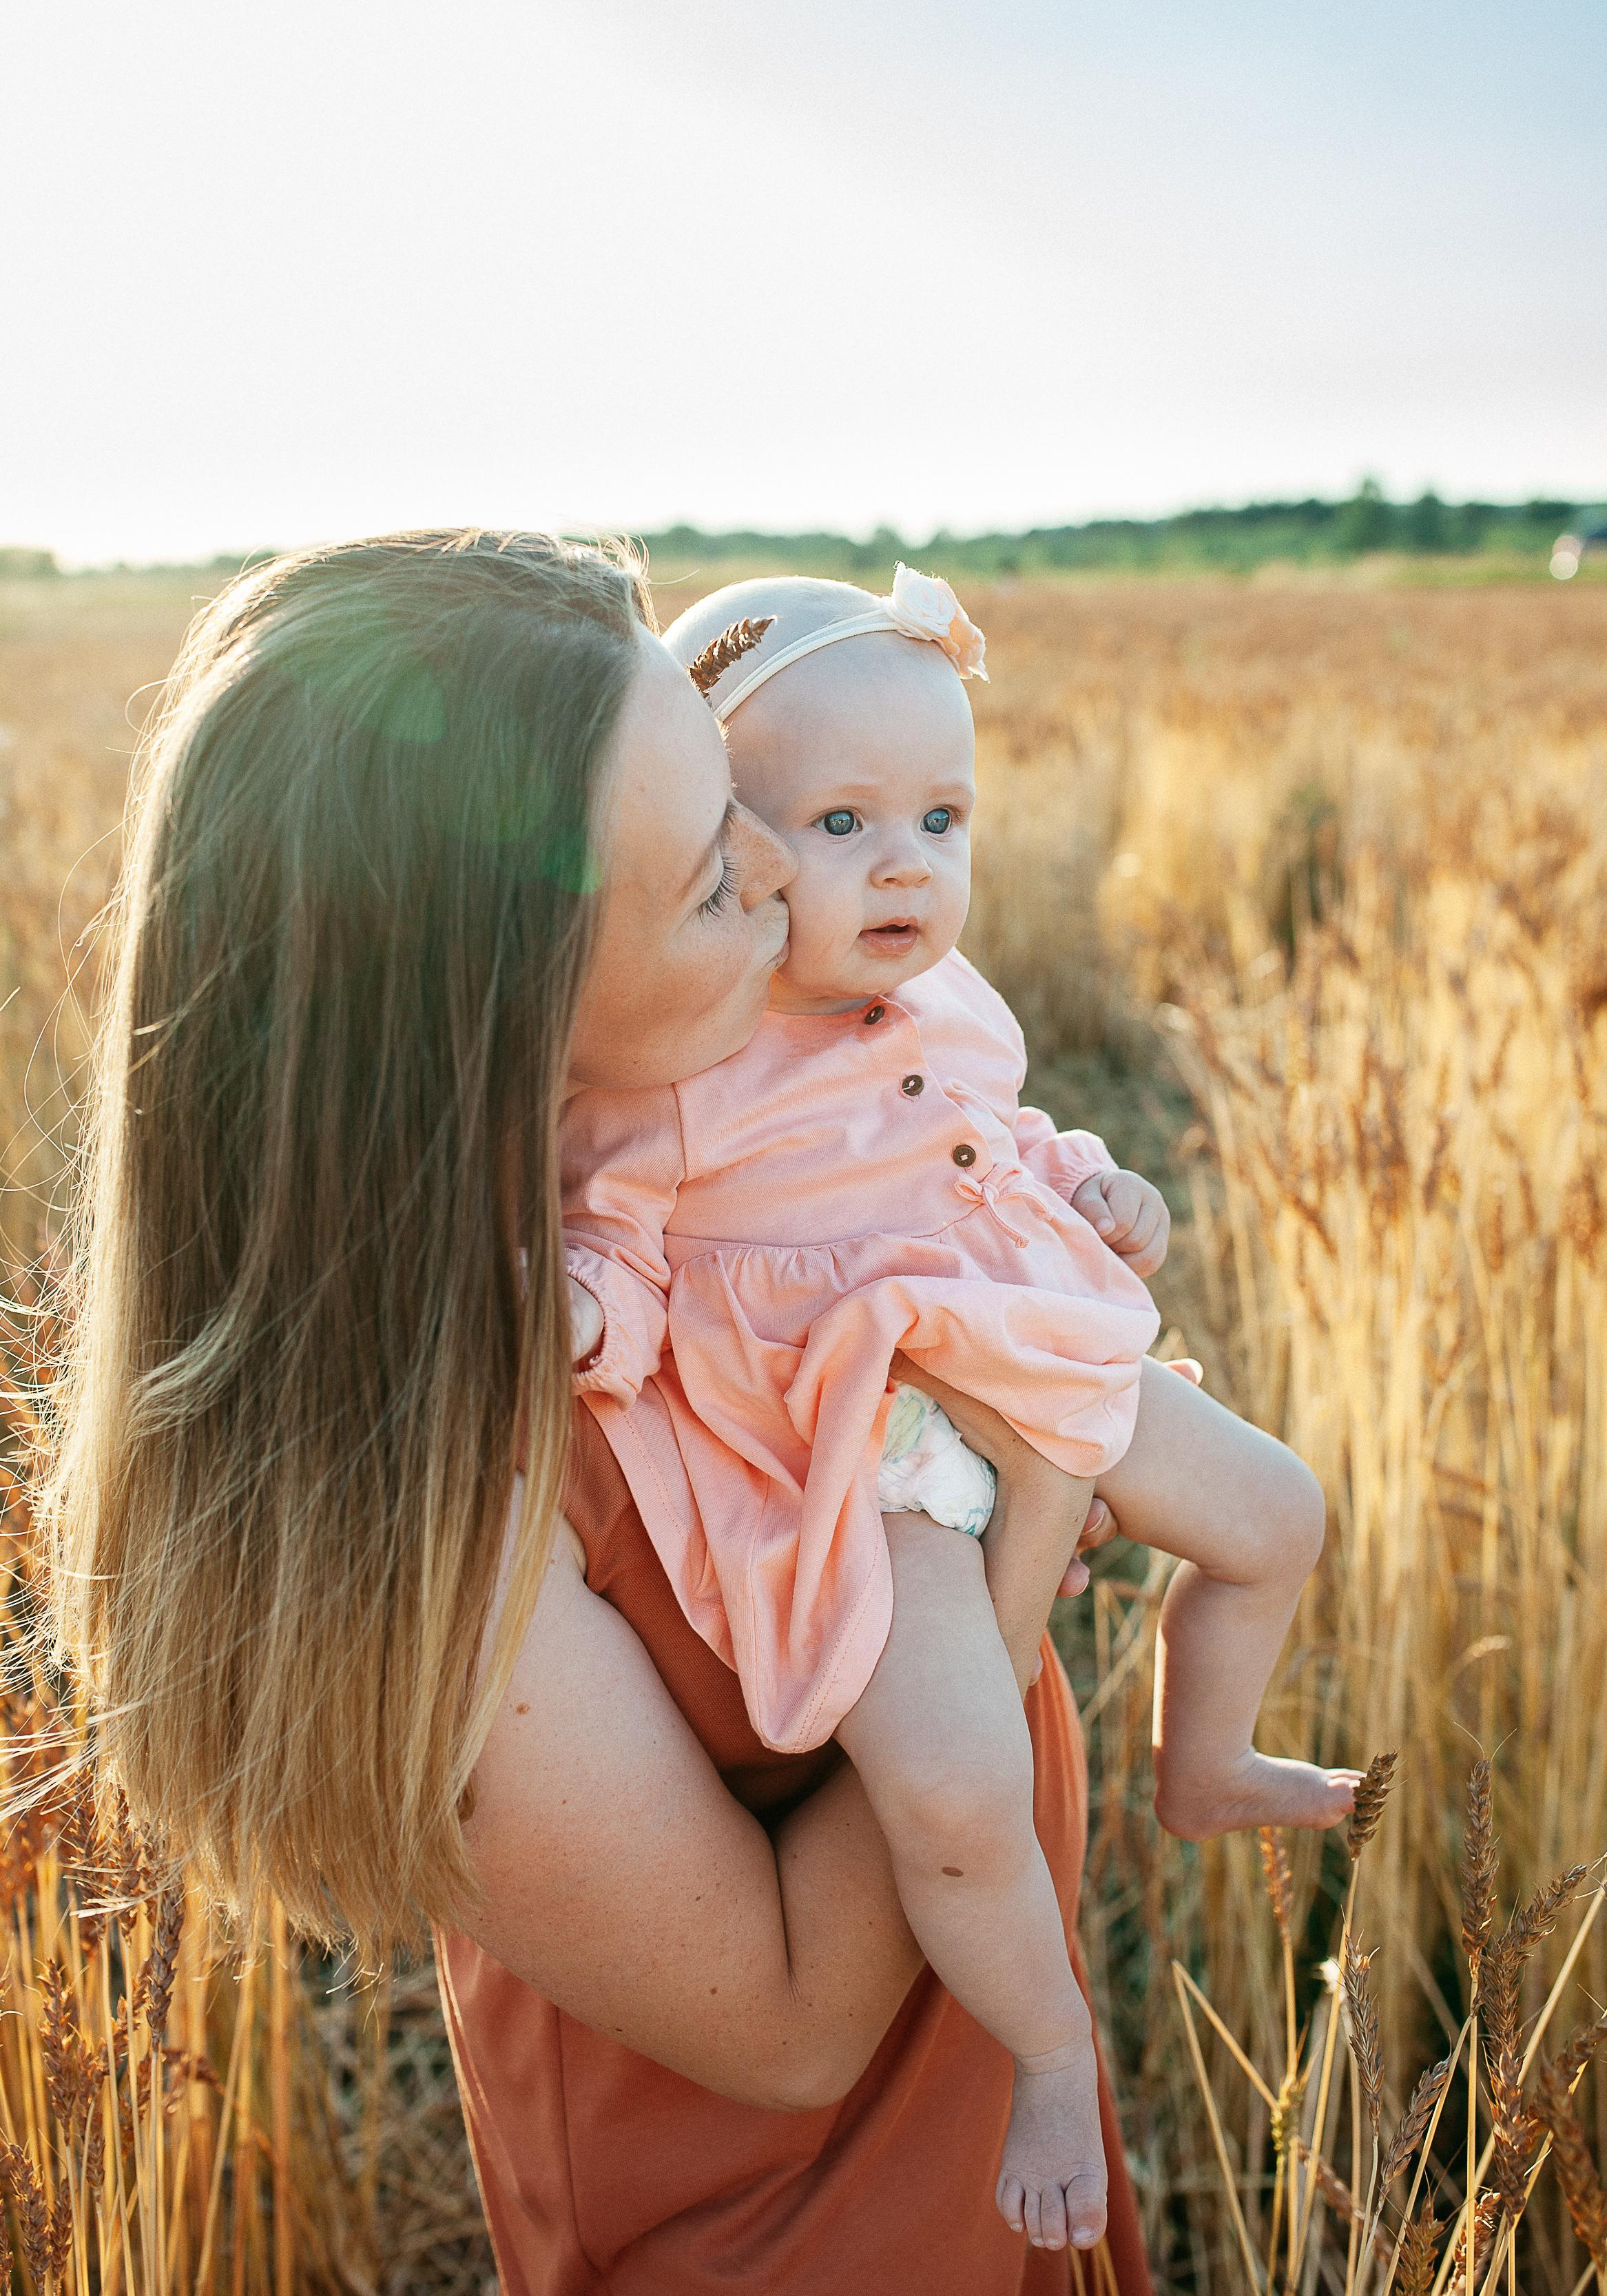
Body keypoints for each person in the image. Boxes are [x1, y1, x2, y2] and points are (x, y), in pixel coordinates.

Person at [40, 528, 1150, 2294]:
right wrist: (1020, 1517)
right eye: (721, 877)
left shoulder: (722, 1219)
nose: (797, 883)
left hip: (989, 2189)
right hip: (788, 2251)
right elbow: (787, 2025)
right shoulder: (445, 1490)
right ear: (507, 1005)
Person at [562, 567, 1361, 2253]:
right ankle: (1054, 2044)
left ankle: (1199, 1759)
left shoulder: (950, 1000)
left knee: (1280, 1511)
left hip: (1022, 1334)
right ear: (732, 852)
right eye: (842, 820)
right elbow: (614, 1235)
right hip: (873, 1433)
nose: (908, 860)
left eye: (942, 813)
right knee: (951, 1785)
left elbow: (991, 1136)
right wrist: (583, 1311)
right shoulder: (686, 1057)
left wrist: (1094, 1177)